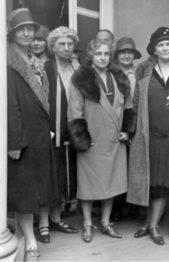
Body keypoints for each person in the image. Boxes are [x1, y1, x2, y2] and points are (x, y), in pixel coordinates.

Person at [127, 26, 169, 245]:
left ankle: (152, 225)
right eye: (160, 45)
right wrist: (130, 132)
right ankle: (150, 223)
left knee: (163, 186)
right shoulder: (144, 77)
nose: (165, 48)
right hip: (150, 140)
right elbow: (135, 107)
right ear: (154, 50)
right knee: (151, 184)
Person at [68, 39, 135, 243]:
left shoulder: (119, 77)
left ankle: (105, 222)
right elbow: (74, 112)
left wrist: (126, 131)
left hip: (114, 140)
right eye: (99, 54)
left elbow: (129, 107)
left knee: (111, 184)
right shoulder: (80, 78)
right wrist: (82, 139)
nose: (103, 58)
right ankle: (88, 224)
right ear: (91, 55)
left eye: (106, 54)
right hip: (93, 141)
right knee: (88, 186)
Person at [7, 8, 58, 261]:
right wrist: (15, 141)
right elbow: (9, 105)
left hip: (38, 134)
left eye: (30, 29)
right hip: (22, 136)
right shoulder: (7, 61)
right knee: (24, 191)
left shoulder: (32, 59)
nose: (27, 33)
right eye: (21, 29)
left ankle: (22, 233)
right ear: (12, 33)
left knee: (33, 187)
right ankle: (29, 239)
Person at [37, 26, 80, 244]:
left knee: (63, 178)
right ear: (52, 47)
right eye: (61, 44)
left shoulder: (77, 68)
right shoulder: (44, 68)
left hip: (71, 132)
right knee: (49, 177)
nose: (65, 48)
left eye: (69, 44)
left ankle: (56, 219)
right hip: (51, 131)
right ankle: (44, 224)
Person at [110, 36, 142, 220]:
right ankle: (115, 208)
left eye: (130, 52)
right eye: (123, 52)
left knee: (133, 165)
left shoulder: (139, 74)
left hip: (136, 121)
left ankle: (133, 206)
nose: (126, 56)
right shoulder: (111, 73)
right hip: (117, 121)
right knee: (117, 166)